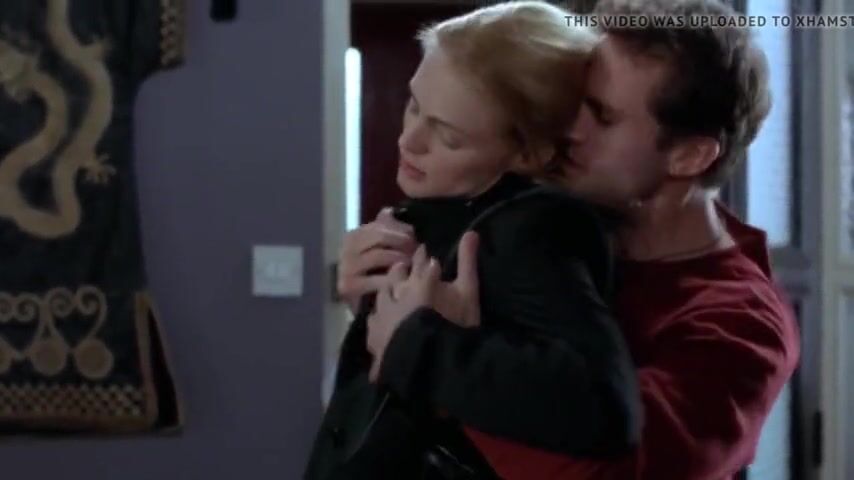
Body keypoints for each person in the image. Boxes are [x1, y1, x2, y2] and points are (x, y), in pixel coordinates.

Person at [373, 0, 801, 479]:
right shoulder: (540, 219)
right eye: (575, 100)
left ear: (689, 156)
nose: (569, 128)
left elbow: (608, 474)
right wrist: (382, 283)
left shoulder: (739, 324)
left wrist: (439, 363)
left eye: (603, 116)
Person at [305, 3, 642, 479]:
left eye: (448, 137)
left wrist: (417, 342)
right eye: (414, 106)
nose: (409, 140)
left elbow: (604, 407)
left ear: (527, 153)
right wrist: (372, 303)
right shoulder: (451, 206)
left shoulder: (533, 228)